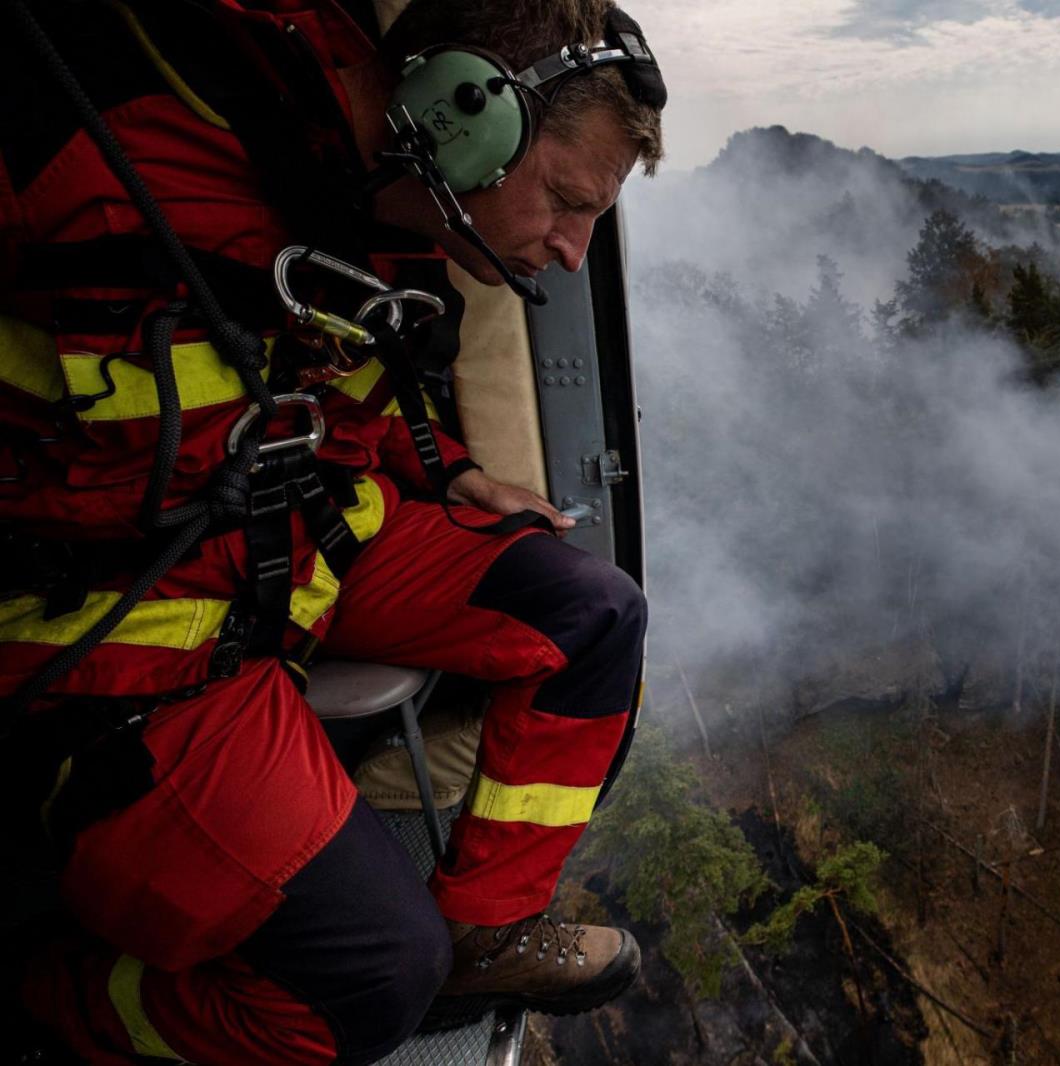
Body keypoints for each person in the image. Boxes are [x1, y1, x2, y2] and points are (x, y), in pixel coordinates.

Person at [0, 0, 664, 1061]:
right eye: (568, 202)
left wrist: (449, 473)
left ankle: (481, 928)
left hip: (309, 538)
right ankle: (44, 994)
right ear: (468, 115)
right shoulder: (91, 134)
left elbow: (335, 392)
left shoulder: (380, 202)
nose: (574, 253)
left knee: (594, 611)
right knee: (366, 984)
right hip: (130, 624)